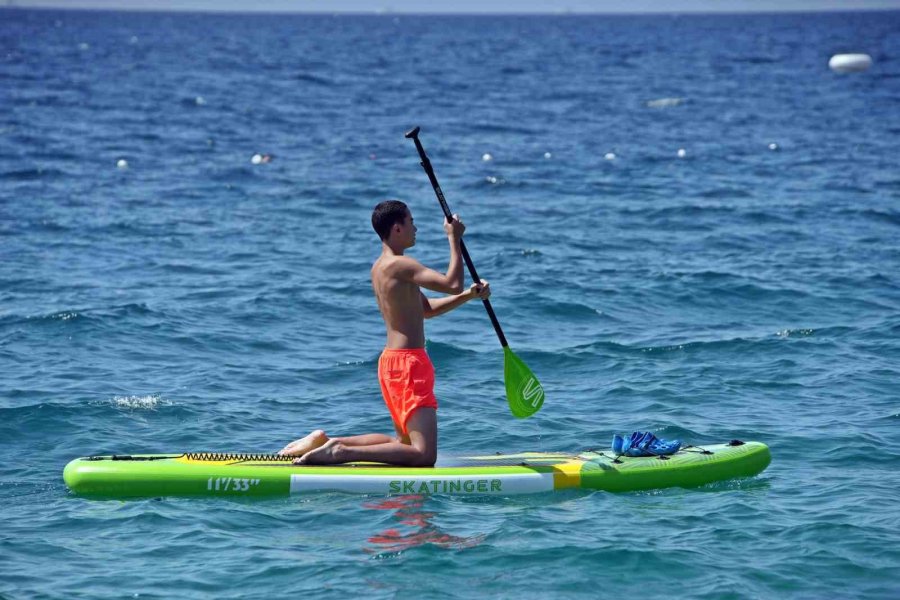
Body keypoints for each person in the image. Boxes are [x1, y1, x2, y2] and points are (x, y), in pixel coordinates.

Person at [278, 200, 490, 466]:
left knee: (403, 445)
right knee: (424, 456)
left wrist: (468, 296)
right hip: (410, 364)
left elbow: (426, 309)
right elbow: (452, 283)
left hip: (391, 363)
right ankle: (341, 452)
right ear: (397, 228)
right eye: (411, 222)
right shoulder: (401, 265)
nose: (416, 227)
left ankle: (325, 441)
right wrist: (454, 239)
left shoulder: (381, 268)